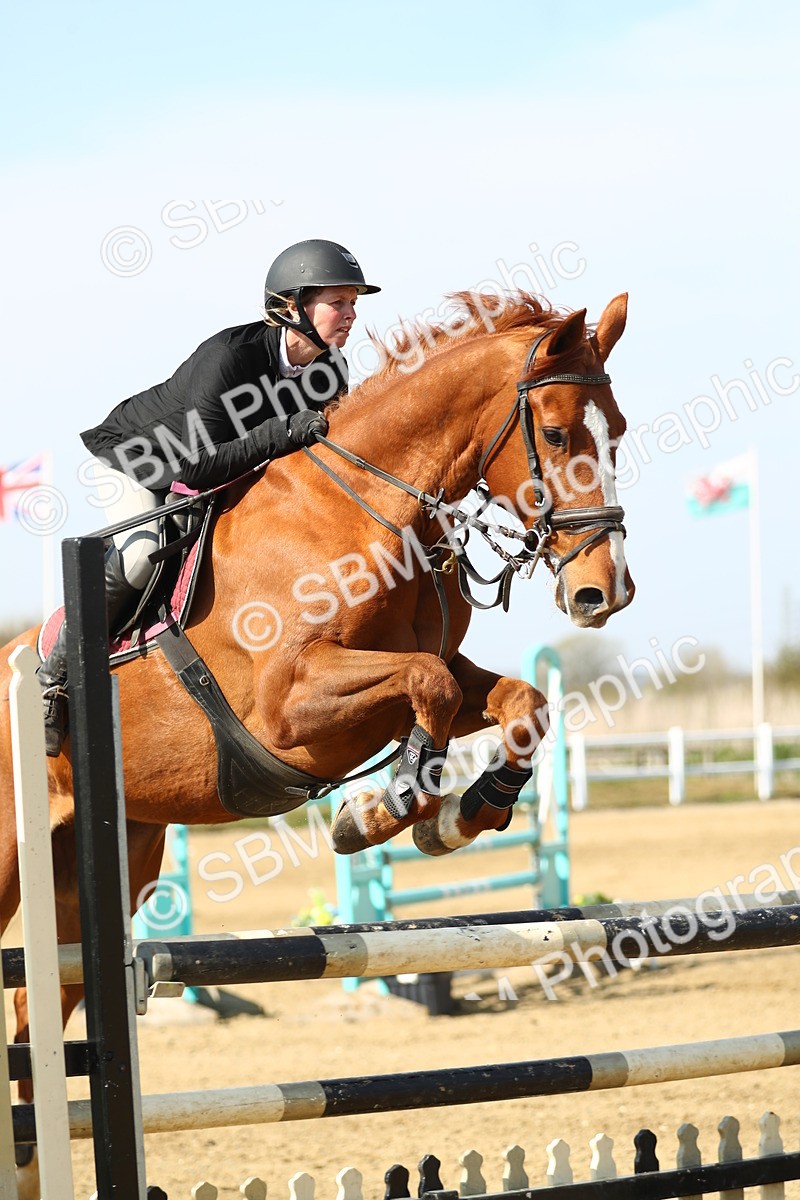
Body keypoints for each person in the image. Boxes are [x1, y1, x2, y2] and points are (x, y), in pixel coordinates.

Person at [38, 238, 380, 756]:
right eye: (340, 302)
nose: (352, 315)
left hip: (218, 471)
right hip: (142, 460)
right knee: (137, 558)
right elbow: (196, 467)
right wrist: (286, 430)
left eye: (354, 302)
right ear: (291, 307)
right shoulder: (229, 357)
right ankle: (54, 676)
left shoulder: (330, 370)